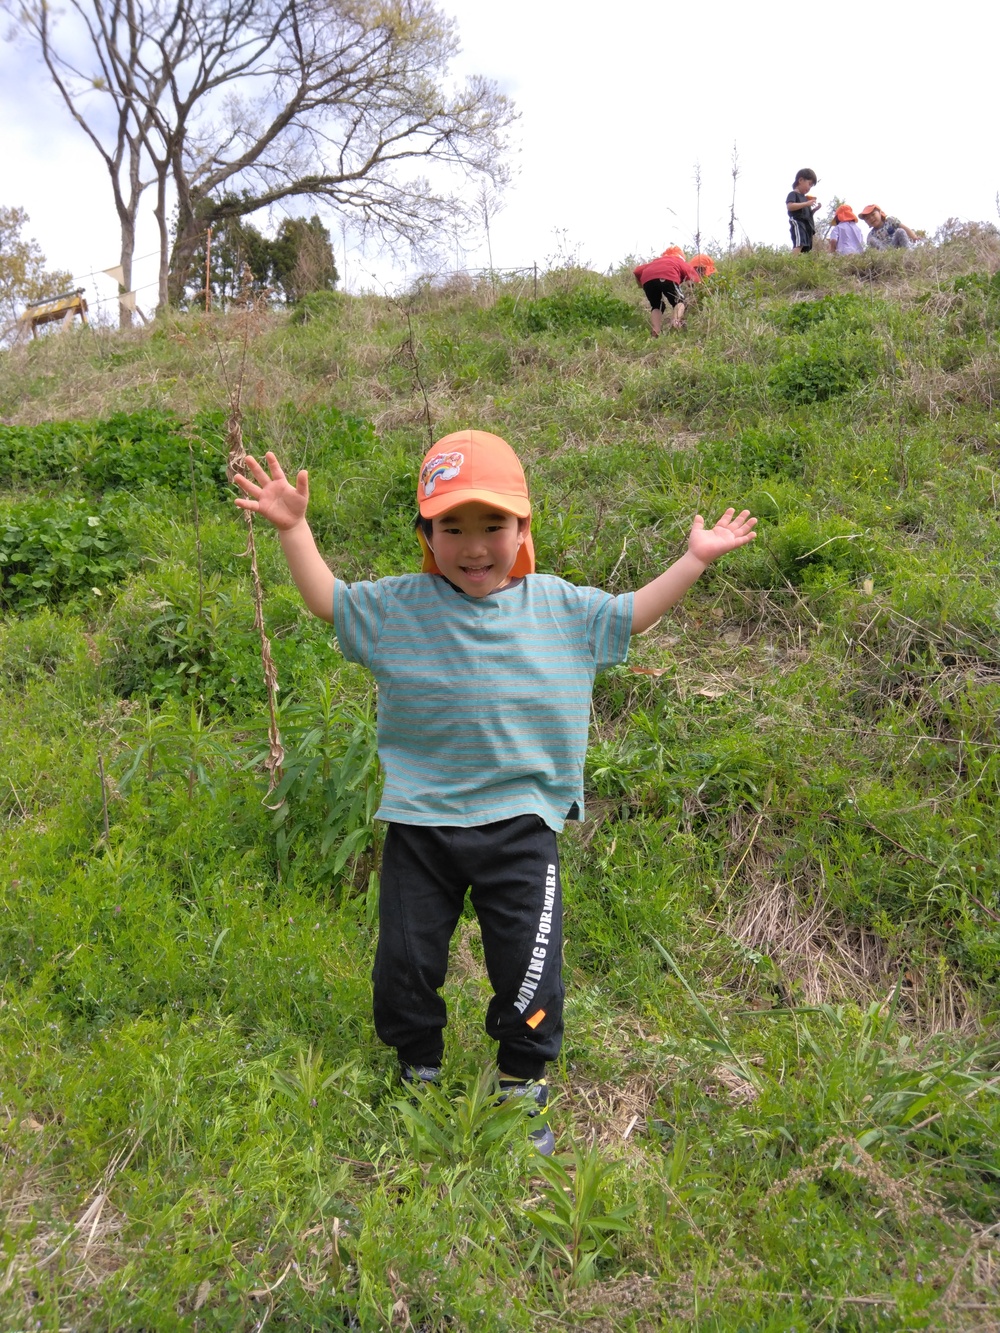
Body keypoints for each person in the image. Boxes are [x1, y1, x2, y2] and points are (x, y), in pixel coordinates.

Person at [233, 430, 756, 1154]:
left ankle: (522, 1082)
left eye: (493, 526)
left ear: (523, 529)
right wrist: (295, 528)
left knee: (530, 968)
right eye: (452, 527)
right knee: (405, 964)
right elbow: (328, 601)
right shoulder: (398, 608)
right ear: (426, 532)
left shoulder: (560, 608)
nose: (473, 547)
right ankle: (417, 1067)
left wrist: (694, 560)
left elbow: (629, 614)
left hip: (522, 827)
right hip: (421, 825)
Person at [632, 249, 703, 335]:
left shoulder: (656, 261)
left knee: (657, 306)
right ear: (682, 257)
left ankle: (656, 330)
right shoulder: (680, 261)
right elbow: (693, 282)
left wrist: (640, 285)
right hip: (668, 276)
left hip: (647, 280)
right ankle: (675, 323)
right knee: (679, 302)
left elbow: (637, 271)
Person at [786, 169, 822, 253]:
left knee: (806, 248)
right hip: (798, 222)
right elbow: (790, 206)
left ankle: (799, 265)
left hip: (807, 225)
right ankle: (789, 263)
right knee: (800, 244)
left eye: (811, 186)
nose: (809, 188)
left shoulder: (805, 198)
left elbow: (806, 213)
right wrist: (806, 204)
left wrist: (814, 210)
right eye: (809, 184)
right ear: (801, 180)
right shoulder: (793, 194)